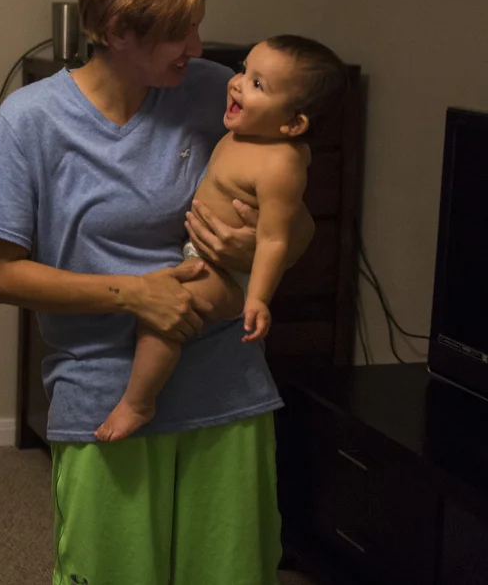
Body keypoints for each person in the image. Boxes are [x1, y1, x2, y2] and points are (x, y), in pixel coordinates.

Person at [0, 0, 313, 585]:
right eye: (182, 31)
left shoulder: (218, 95)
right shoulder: (29, 121)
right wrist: (132, 294)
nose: (200, 48)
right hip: (105, 393)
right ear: (120, 30)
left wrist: (254, 246)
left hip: (225, 386)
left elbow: (297, 222)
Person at [96, 34, 346, 442]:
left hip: (231, 275)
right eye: (245, 70)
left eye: (257, 84)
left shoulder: (280, 161)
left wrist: (258, 299)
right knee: (159, 306)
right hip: (201, 254)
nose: (237, 83)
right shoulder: (245, 131)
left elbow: (273, 241)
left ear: (293, 123)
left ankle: (139, 402)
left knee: (166, 315)